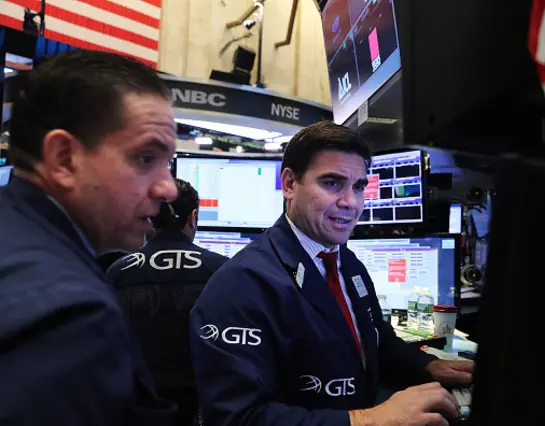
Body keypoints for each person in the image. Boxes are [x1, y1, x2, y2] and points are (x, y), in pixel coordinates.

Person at [191, 121, 475, 426]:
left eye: (358, 186)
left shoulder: (347, 264)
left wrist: (428, 366)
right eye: (331, 183)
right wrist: (368, 420)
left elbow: (377, 342)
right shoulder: (241, 284)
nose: (350, 202)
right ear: (289, 184)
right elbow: (238, 418)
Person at [0, 50, 178, 425]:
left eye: (168, 163)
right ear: (64, 158)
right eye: (146, 158)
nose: (169, 189)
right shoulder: (71, 316)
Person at [107, 178, 228, 426]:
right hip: (203, 407)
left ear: (151, 216)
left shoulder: (119, 271)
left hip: (139, 406)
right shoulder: (222, 270)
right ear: (193, 217)